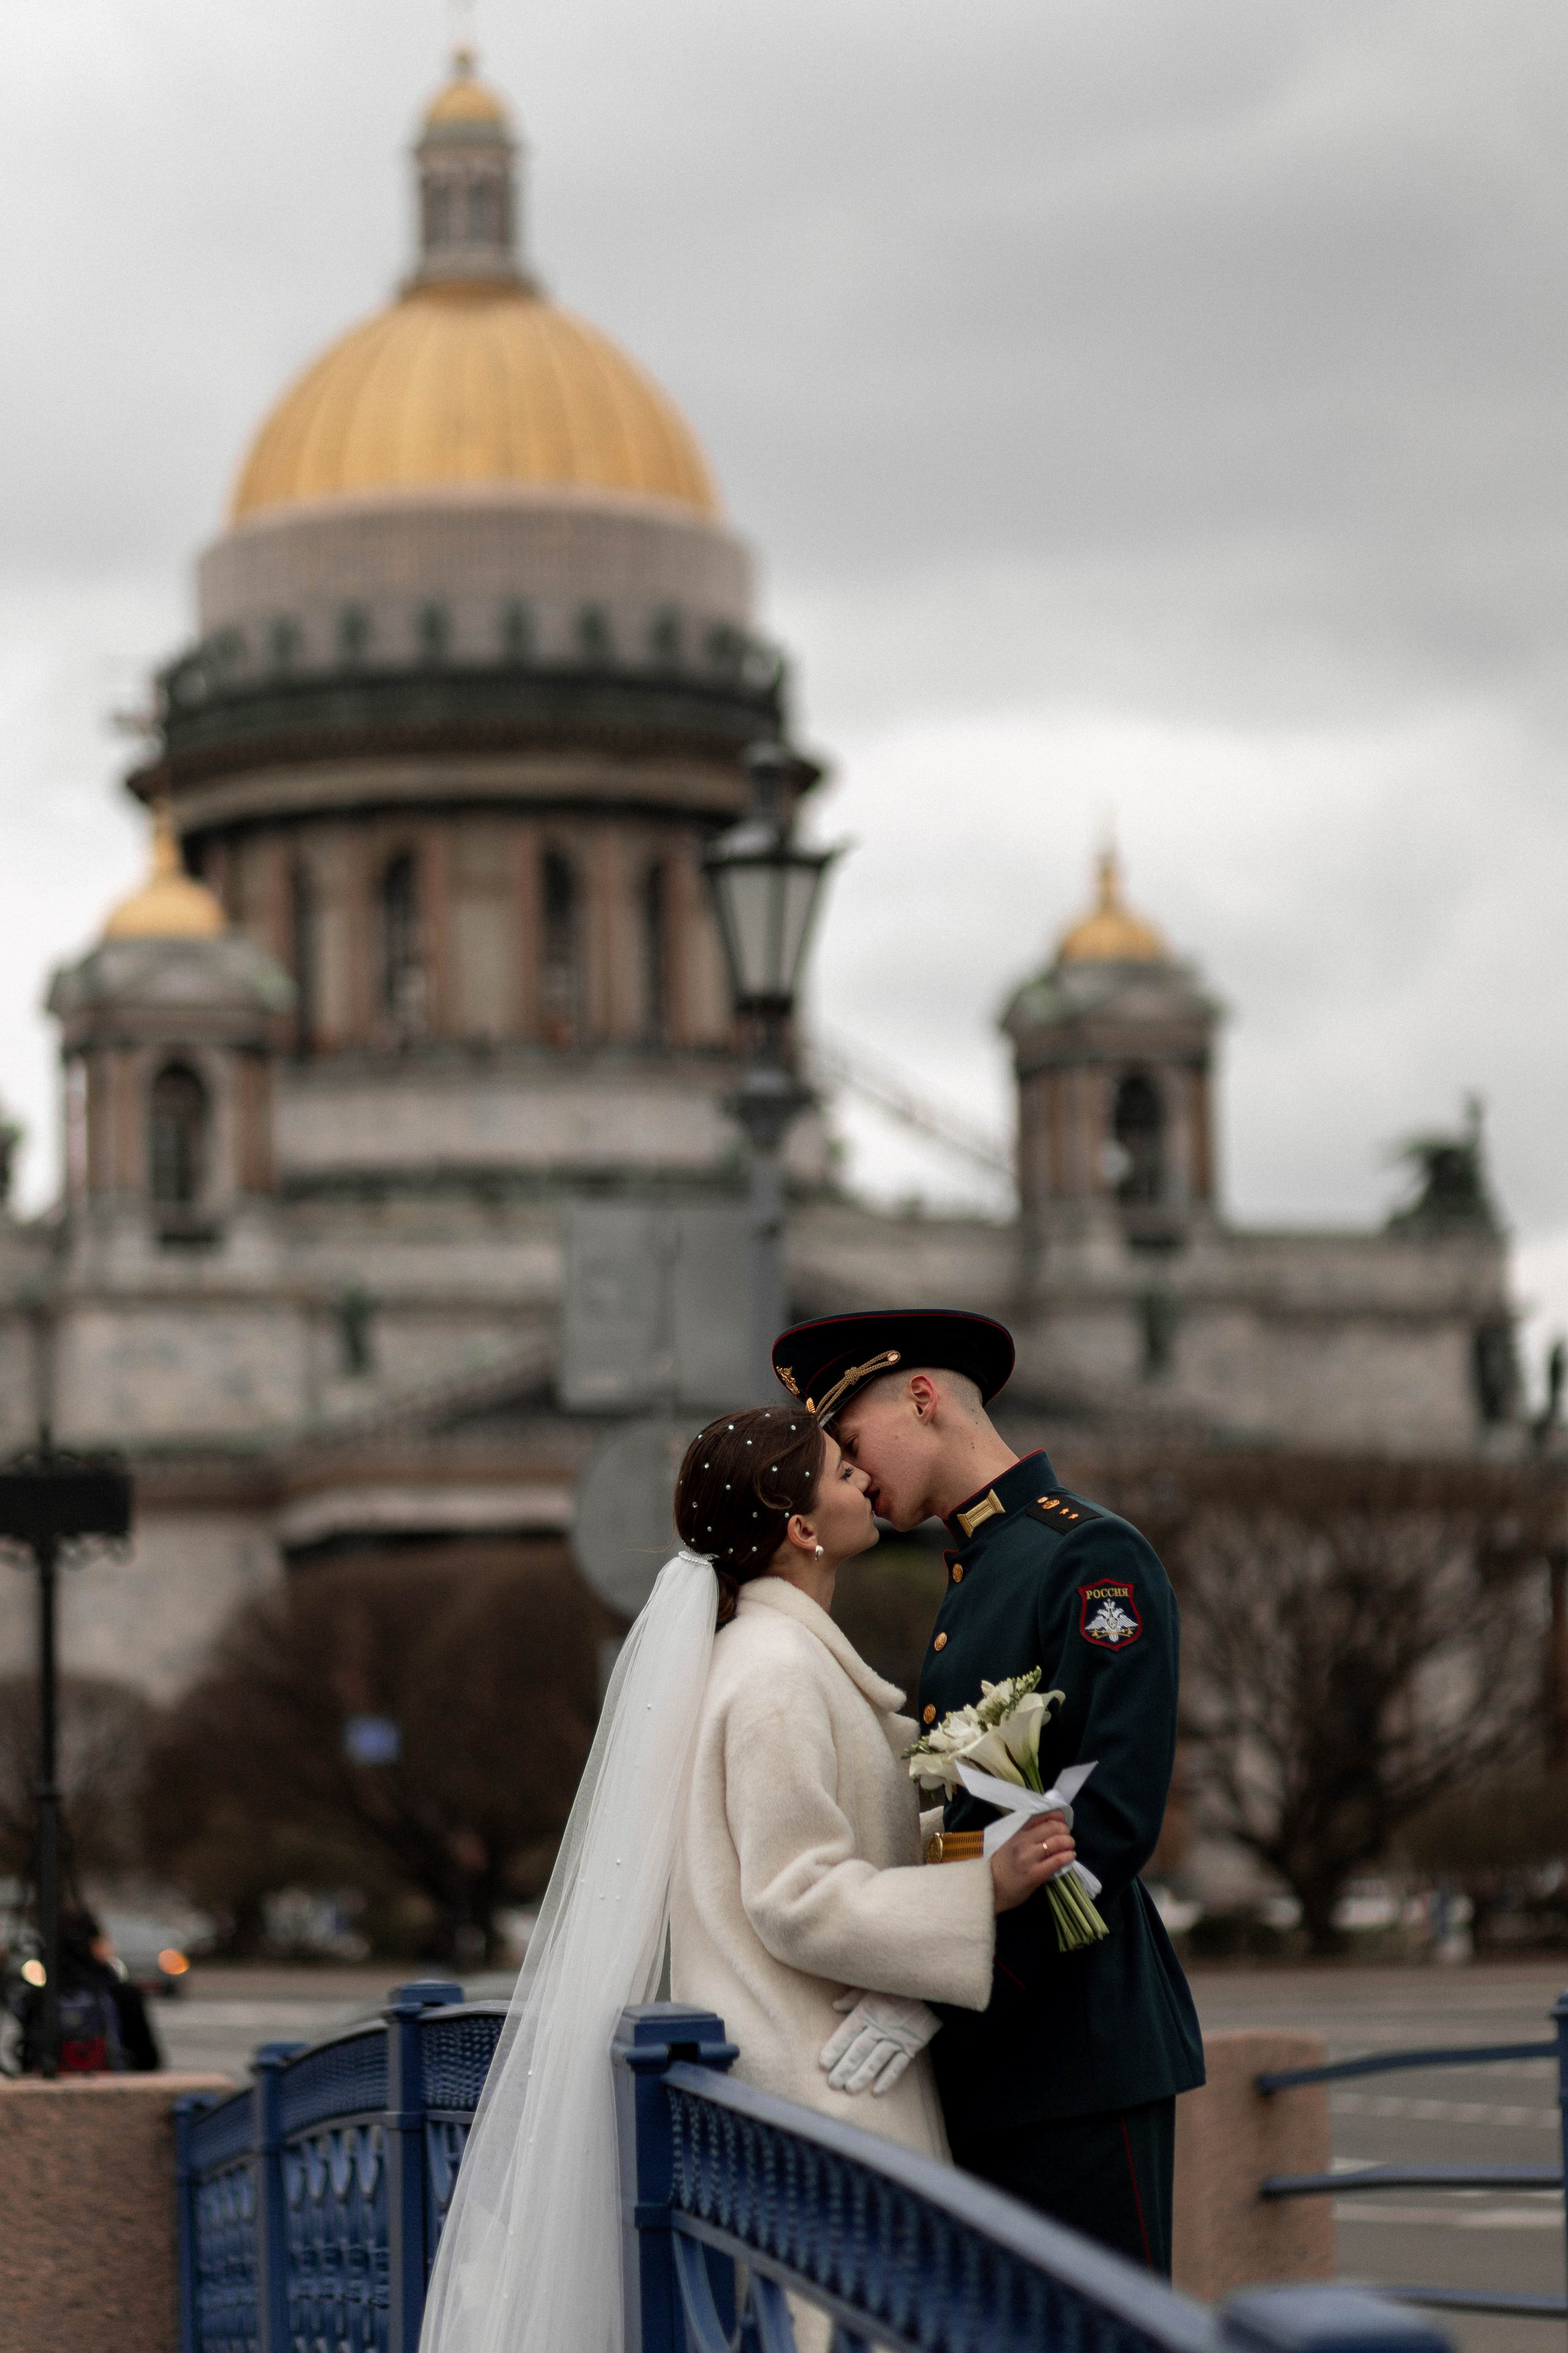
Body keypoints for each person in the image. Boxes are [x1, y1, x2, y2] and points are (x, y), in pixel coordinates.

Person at [417, 1401, 1079, 2353]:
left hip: (790, 2097)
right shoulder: (777, 1674)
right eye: (840, 1471)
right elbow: (796, 1894)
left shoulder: (757, 1660)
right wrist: (986, 1887)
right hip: (821, 2096)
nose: (862, 1476)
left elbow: (821, 1848)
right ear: (802, 1528)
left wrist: (967, 1836)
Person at [772, 1307, 1205, 2278]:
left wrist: (948, 1985)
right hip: (999, 2058)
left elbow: (1109, 1820)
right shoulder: (979, 1567)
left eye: (852, 1442)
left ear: (923, 1398)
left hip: (1077, 2052)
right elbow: (973, 1824)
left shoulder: (1086, 1556)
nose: (853, 1475)